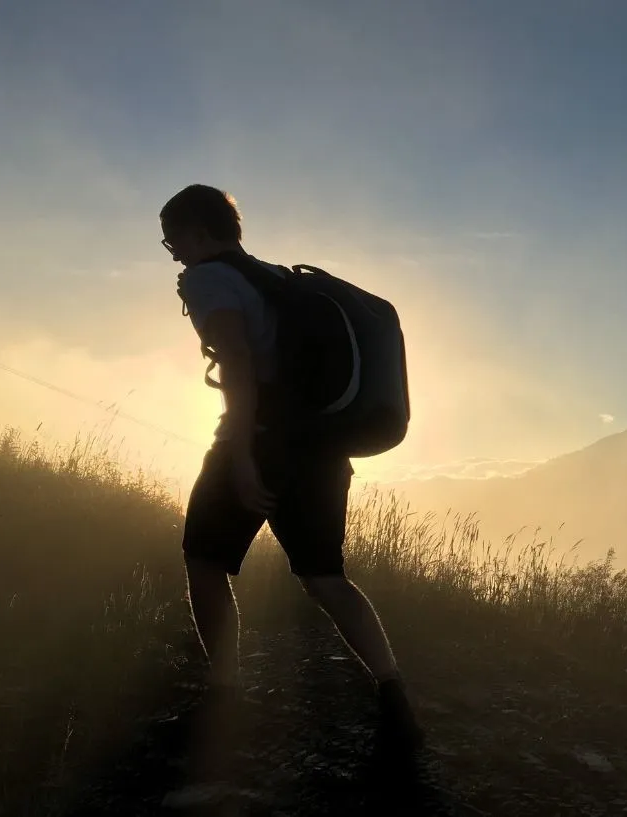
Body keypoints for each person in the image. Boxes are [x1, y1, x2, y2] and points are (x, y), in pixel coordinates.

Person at [160, 184, 425, 794]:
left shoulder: (209, 281)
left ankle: (224, 695)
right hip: (323, 447)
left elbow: (238, 367)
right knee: (325, 577)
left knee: (204, 560)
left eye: (172, 238)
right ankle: (393, 696)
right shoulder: (275, 277)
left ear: (197, 233)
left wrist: (246, 458)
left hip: (258, 442)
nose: (172, 251)